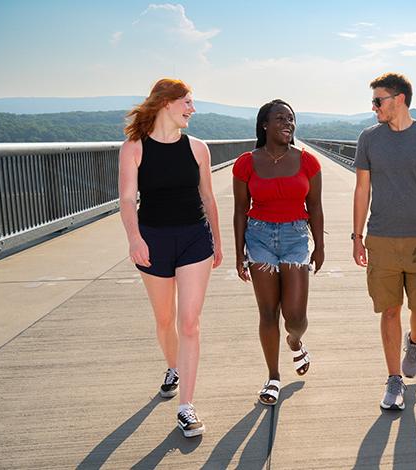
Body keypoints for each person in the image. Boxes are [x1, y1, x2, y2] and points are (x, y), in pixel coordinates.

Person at [118, 78, 222, 437]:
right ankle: (173, 367)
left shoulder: (198, 148)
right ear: (166, 103)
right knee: (166, 320)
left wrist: (218, 242)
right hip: (153, 240)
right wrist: (134, 238)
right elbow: (128, 199)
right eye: (188, 103)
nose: (192, 109)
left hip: (195, 238)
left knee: (190, 322)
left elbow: (208, 198)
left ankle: (186, 406)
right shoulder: (134, 148)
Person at [352, 73, 416, 410]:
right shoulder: (368, 139)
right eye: (373, 101)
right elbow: (362, 189)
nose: (374, 106)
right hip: (381, 239)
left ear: (399, 99)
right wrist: (357, 237)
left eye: (379, 100)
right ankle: (394, 381)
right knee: (389, 311)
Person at [232, 99, 324, 406]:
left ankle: (295, 341)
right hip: (258, 238)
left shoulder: (307, 162)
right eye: (281, 118)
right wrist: (238, 253)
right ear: (265, 125)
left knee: (295, 317)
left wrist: (320, 246)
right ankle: (273, 376)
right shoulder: (246, 163)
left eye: (292, 119)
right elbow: (240, 211)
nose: (288, 123)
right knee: (268, 312)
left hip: (296, 237)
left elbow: (315, 207)